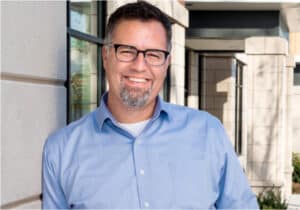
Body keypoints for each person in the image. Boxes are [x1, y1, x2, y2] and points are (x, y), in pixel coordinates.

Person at [42, 1, 259, 209]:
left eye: (154, 55)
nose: (139, 66)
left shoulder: (208, 133)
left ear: (166, 64)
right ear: (105, 56)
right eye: (127, 51)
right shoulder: (61, 151)